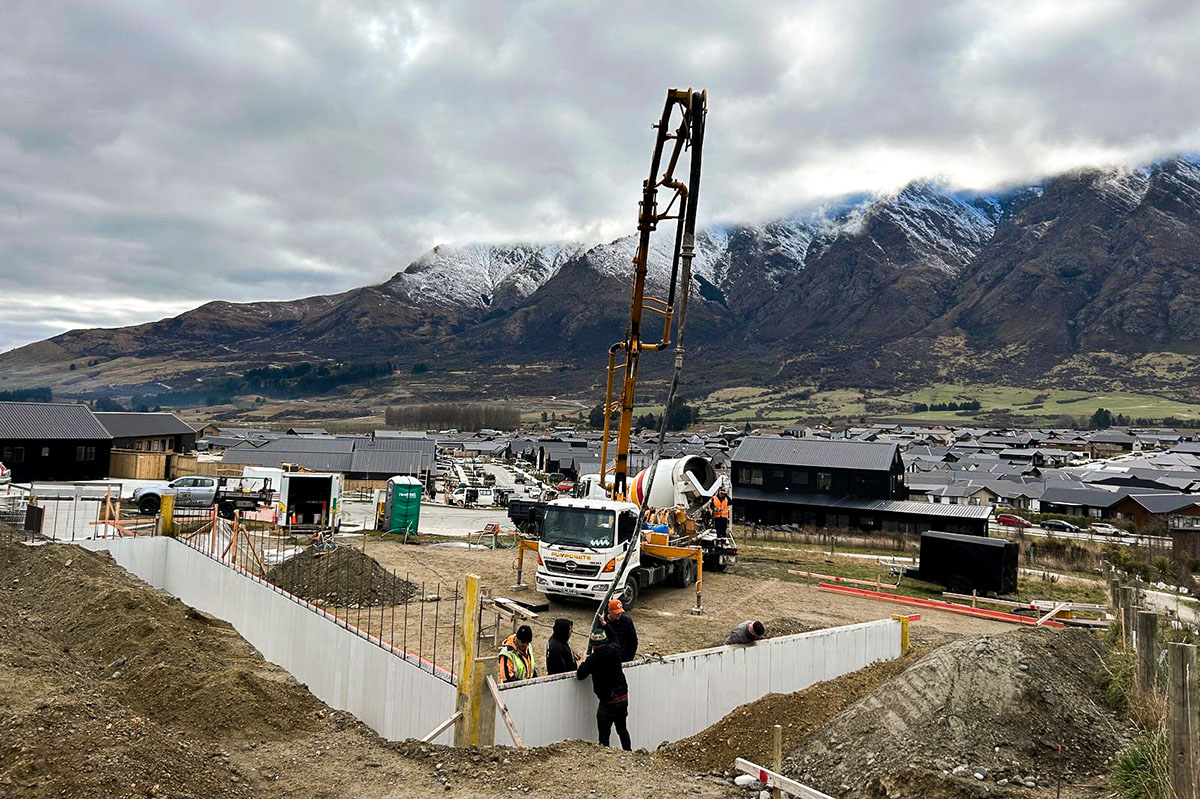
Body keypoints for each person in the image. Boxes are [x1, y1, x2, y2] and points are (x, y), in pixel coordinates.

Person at [576, 629, 631, 750]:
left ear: (593, 645)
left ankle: (605, 756)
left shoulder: (593, 659)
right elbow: (615, 637)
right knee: (622, 729)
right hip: (622, 697)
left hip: (608, 702)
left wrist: (583, 661)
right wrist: (606, 625)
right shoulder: (615, 650)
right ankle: (628, 752)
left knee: (604, 735)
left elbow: (580, 675)